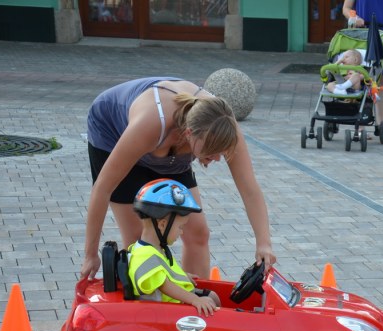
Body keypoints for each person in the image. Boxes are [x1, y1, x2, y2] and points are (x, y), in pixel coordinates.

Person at [82, 77, 275, 281]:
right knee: (140, 239)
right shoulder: (151, 124)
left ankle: (197, 297)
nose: (218, 158)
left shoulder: (225, 126)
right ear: (189, 134)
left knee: (198, 233)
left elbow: (249, 189)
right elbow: (102, 189)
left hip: (171, 147)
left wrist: (264, 243)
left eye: (222, 151)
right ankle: (148, 297)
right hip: (113, 132)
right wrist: (90, 254)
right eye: (212, 151)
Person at [128, 179, 221, 316]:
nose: (181, 232)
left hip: (175, 304)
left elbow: (163, 273)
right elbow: (164, 285)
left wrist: (181, 275)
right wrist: (194, 299)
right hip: (170, 312)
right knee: (210, 301)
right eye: (180, 227)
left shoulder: (153, 249)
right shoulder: (144, 256)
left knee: (212, 296)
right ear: (162, 225)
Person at [342, 0, 383, 135]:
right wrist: (354, 18)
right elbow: (346, 8)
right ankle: (360, 126)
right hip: (364, 34)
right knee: (361, 81)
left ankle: (382, 126)